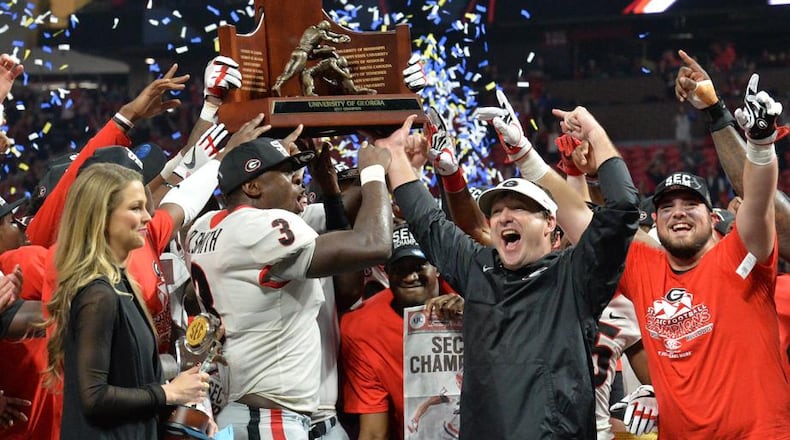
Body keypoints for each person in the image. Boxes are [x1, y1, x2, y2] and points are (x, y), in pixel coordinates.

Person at [382, 102, 640, 439]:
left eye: (519, 208)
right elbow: (427, 223)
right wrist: (395, 155)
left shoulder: (576, 276)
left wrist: (595, 133)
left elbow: (622, 209)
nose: (504, 216)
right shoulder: (479, 268)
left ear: (550, 222)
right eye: (497, 211)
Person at [187, 118, 412, 439]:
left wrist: (336, 187)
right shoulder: (260, 228)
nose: (298, 181)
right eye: (286, 173)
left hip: (246, 409)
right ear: (253, 187)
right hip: (269, 418)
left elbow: (338, 215)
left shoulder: (204, 226)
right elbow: (374, 244)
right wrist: (374, 172)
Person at [617, 68, 790, 438]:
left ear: (714, 221)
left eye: (690, 206)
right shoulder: (651, 271)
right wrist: (657, 392)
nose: (678, 214)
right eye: (667, 208)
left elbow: (762, 206)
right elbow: (602, 226)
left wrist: (758, 144)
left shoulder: (757, 273)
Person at [41, 163, 211, 439]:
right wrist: (168, 392)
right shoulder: (98, 295)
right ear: (102, 216)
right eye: (135, 208)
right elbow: (94, 397)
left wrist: (183, 412)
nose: (148, 217)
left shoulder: (120, 284)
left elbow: (132, 378)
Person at [341, 224, 462, 440]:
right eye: (400, 269)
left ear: (437, 267)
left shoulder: (472, 295)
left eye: (418, 266)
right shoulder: (362, 329)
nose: (410, 277)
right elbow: (374, 432)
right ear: (387, 273)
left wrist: (475, 317)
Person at [271, 20, 351, 96]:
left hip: (295, 52)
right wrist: (341, 40)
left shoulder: (311, 28)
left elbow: (330, 34)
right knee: (292, 72)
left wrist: (340, 35)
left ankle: (277, 85)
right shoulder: (322, 33)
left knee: (286, 72)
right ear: (325, 29)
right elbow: (331, 39)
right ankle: (279, 86)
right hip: (303, 54)